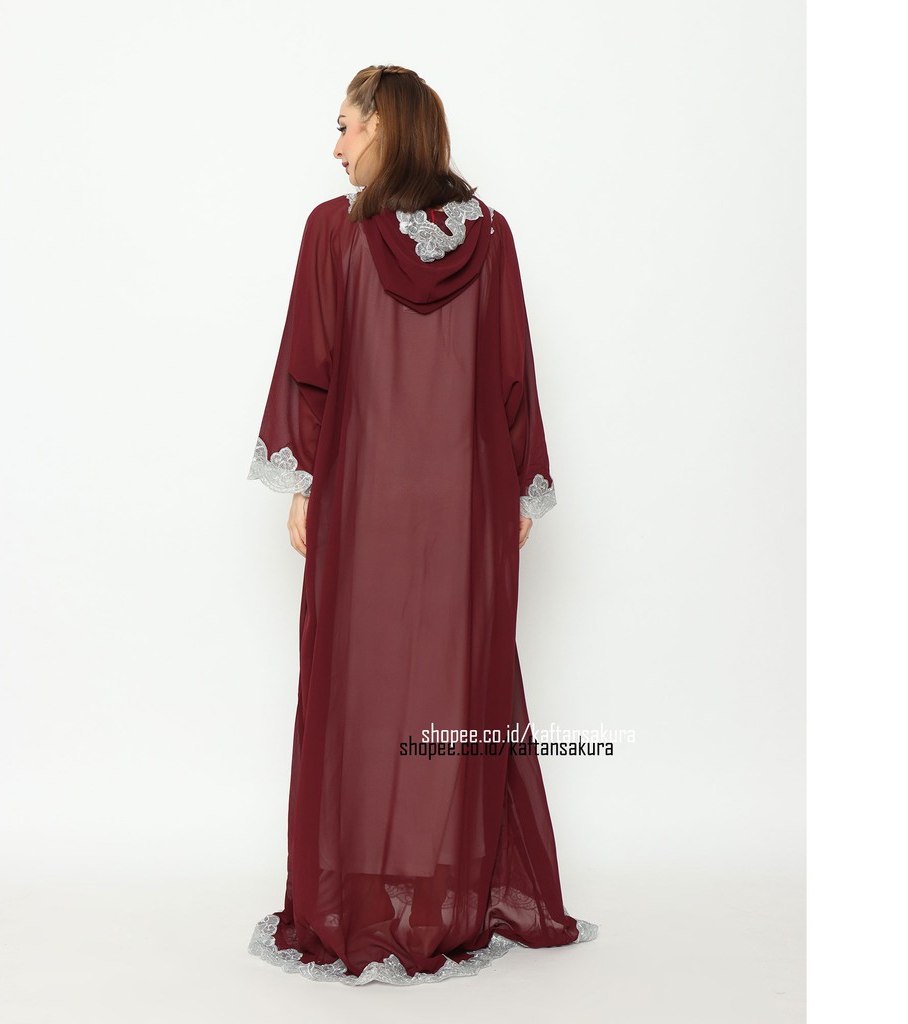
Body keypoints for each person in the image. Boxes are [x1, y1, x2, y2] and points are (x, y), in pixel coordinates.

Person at [245, 64, 597, 986]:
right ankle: (446, 897)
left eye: (345, 126)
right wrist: (517, 491)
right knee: (455, 684)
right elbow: (515, 371)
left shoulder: (334, 231)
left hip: (365, 497)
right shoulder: (493, 235)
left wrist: (303, 484)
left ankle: (354, 900)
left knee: (355, 681)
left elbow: (310, 367)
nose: (336, 147)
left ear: (384, 128)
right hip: (468, 501)